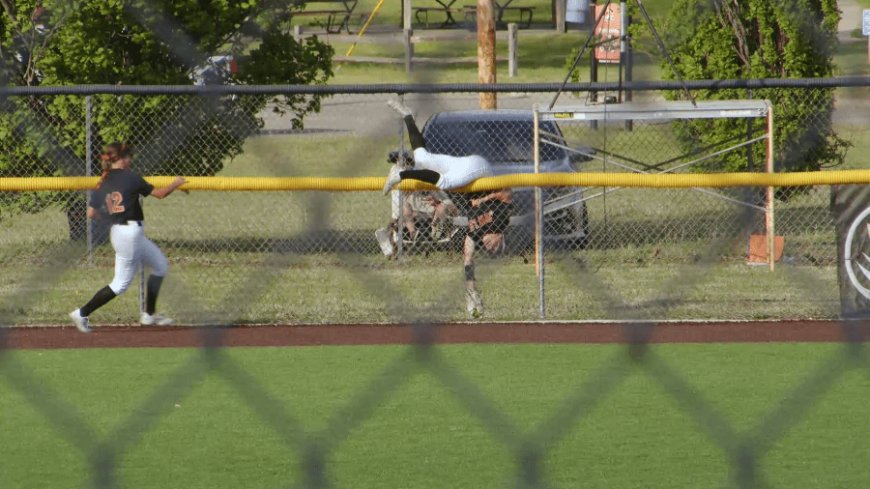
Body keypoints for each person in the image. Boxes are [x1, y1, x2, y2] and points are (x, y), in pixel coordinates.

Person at [384, 100, 513, 318]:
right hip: (480, 169)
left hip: (467, 168)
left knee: (423, 158)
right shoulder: (500, 220)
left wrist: (472, 295)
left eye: (490, 250)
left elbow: (468, 260)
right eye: (496, 247)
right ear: (500, 239)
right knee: (443, 182)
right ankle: (400, 174)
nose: (490, 247)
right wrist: (487, 202)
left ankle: (407, 116)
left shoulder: (475, 232)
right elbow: (508, 193)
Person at [68, 143, 187, 333]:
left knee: (160, 266)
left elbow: (91, 213)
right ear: (122, 159)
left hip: (124, 232)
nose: (130, 160)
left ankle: (148, 314)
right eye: (128, 157)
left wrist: (110, 218)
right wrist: (176, 183)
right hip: (129, 234)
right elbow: (160, 194)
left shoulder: (104, 181)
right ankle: (81, 313)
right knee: (120, 284)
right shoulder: (131, 177)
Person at [383, 100, 494, 195]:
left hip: (479, 167)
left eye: (405, 165)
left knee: (442, 180)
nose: (406, 164)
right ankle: (408, 116)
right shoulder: (418, 169)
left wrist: (402, 175)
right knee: (422, 158)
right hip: (467, 165)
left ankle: (399, 174)